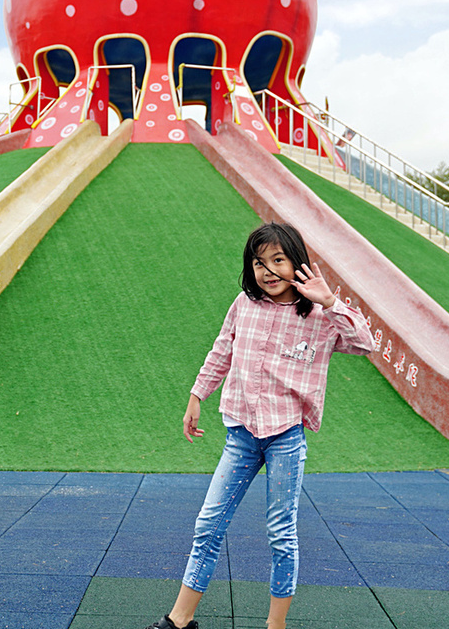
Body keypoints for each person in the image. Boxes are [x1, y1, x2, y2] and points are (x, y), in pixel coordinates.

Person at [144, 222, 375, 629]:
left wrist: (331, 302)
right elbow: (222, 349)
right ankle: (180, 620)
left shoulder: (320, 316)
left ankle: (275, 625)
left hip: (286, 436)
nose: (267, 271)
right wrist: (197, 395)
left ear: (297, 263)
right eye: (258, 263)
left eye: (277, 260)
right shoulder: (244, 305)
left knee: (281, 533)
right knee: (208, 524)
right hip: (242, 435)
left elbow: (364, 343)